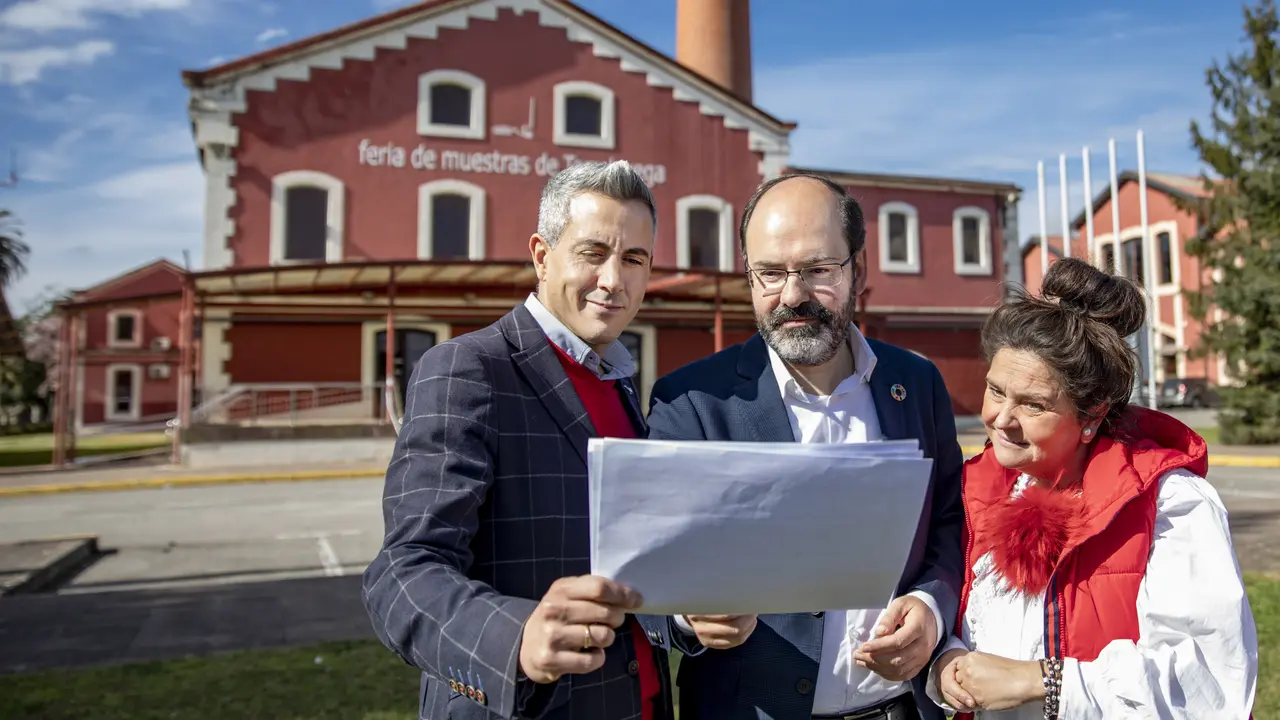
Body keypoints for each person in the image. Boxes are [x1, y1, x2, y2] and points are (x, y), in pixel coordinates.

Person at [361, 161, 727, 720]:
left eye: (634, 259)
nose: (613, 279)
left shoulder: (623, 387)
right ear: (540, 254)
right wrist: (516, 637)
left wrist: (682, 618)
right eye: (592, 252)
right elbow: (403, 572)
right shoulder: (468, 368)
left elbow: (625, 573)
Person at [645, 173, 965, 720]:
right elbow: (647, 562)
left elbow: (949, 519)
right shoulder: (693, 400)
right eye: (769, 272)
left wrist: (932, 605)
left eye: (817, 270)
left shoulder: (917, 383)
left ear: (857, 270)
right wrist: (687, 615)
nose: (791, 295)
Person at [928, 257, 1258, 719]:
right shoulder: (975, 489)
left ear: (1092, 415)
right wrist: (945, 661)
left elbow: (1208, 679)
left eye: (1033, 404)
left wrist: (1041, 681)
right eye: (996, 391)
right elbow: (951, 608)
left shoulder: (1168, 503)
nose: (1001, 419)